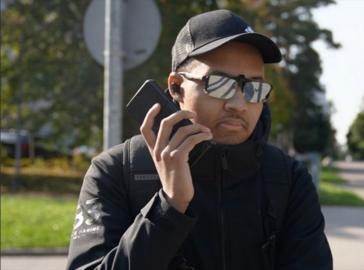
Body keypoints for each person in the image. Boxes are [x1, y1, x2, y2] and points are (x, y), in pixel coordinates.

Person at [66, 9, 332, 270]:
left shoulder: (288, 178)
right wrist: (169, 206)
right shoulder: (117, 172)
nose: (238, 104)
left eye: (253, 87)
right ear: (175, 87)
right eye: (219, 83)